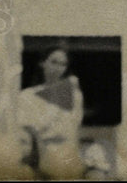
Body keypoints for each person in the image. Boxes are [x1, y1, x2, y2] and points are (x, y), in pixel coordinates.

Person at [17, 45, 86, 180]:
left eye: (63, 64)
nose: (58, 68)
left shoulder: (74, 94)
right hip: (43, 155)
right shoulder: (27, 96)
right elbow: (27, 132)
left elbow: (73, 127)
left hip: (69, 155)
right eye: (53, 62)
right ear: (42, 63)